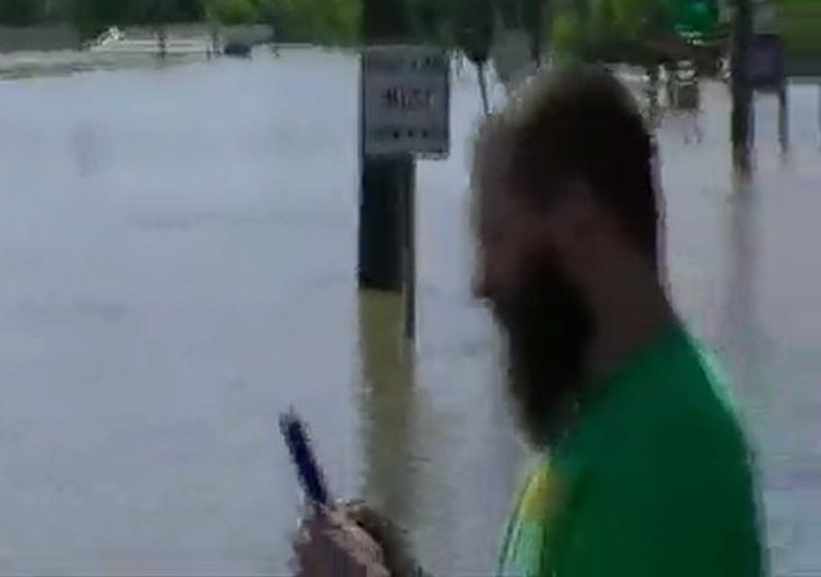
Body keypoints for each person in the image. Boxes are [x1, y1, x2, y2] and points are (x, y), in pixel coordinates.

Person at [294, 66, 766, 577]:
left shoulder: (669, 451)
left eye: (497, 236)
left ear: (582, 226)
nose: (481, 282)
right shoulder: (592, 422)